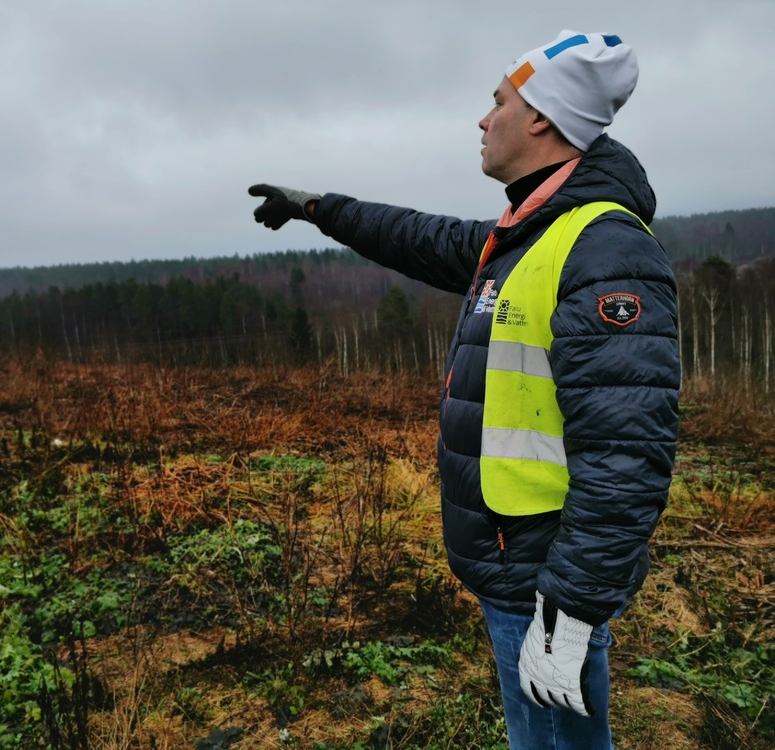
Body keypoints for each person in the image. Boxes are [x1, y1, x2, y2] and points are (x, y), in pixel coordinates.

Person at [248, 30, 680, 750]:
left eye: (498, 102)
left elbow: (628, 454)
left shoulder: (603, 248)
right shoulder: (524, 235)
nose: (484, 120)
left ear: (541, 117)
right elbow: (418, 236)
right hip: (516, 563)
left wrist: (569, 613)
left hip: (544, 575)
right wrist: (320, 207)